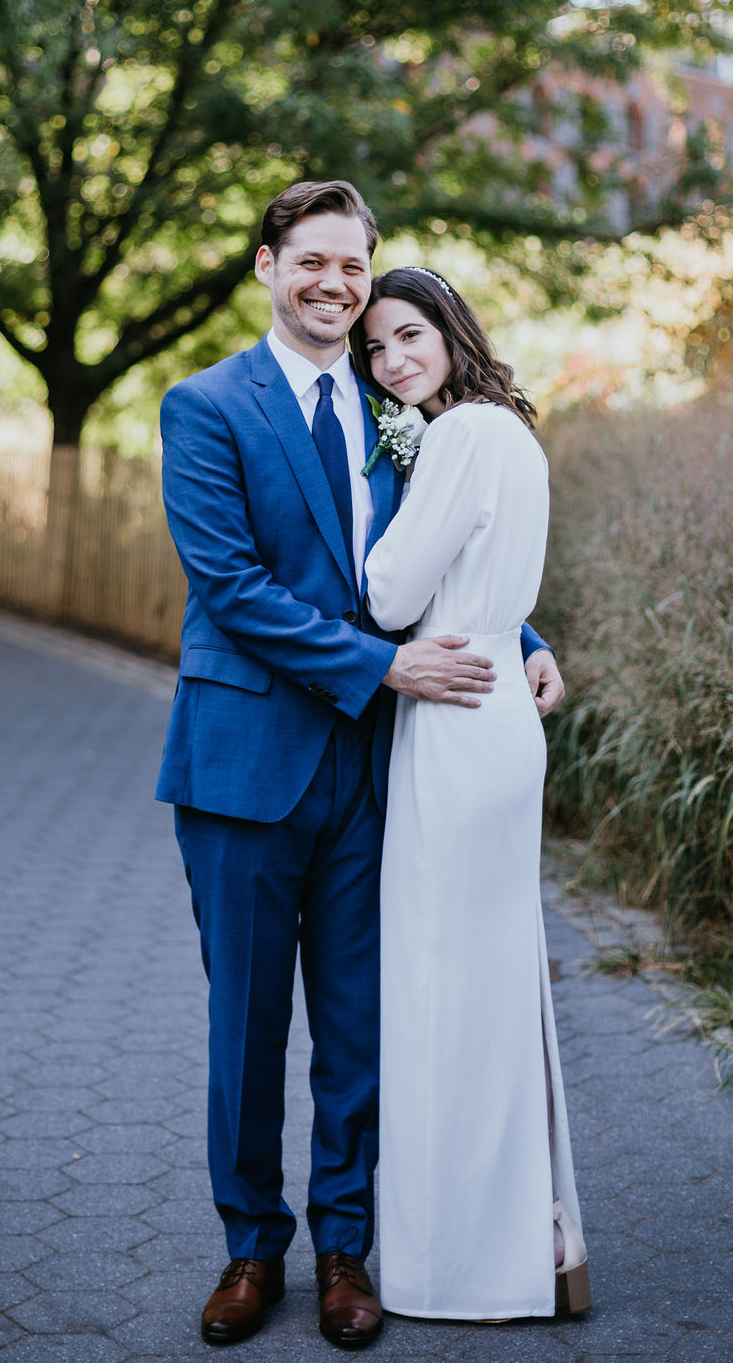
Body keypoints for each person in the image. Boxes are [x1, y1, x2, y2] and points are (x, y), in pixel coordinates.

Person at [155, 181, 564, 1349]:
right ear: (266, 266)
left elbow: (445, 549)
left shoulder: (404, 404)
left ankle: (346, 1250)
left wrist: (519, 644)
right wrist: (383, 670)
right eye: (312, 262)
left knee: (357, 1021)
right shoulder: (205, 405)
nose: (335, 285)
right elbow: (230, 589)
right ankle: (250, 1251)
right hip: (244, 762)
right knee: (245, 1023)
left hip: (382, 767)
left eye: (353, 266)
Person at [353, 266, 589, 1322]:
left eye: (408, 334)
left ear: (450, 329)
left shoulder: (452, 438)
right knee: (486, 981)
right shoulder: (509, 431)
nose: (391, 359)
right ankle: (518, 1246)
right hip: (494, 704)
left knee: (442, 985)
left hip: (452, 713)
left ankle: (450, 1264)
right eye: (374, 349)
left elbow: (393, 591)